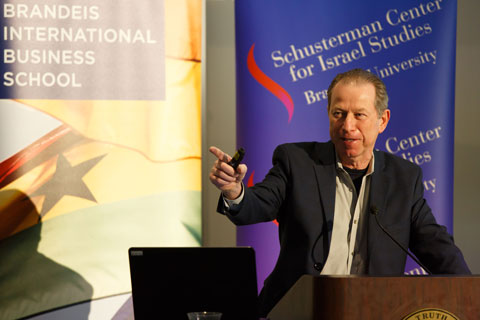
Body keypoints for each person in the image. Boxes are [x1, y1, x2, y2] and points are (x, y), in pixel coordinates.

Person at [209, 68, 470, 317]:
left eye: (359, 115)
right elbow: (258, 204)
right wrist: (235, 191)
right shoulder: (296, 161)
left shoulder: (404, 178)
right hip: (299, 310)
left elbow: (435, 246)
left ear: (382, 120)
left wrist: (470, 295)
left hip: (376, 312)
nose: (347, 125)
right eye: (339, 113)